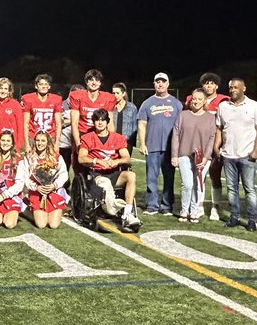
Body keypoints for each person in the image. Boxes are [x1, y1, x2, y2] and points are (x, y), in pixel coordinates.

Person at [78, 108, 142, 230]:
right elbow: (81, 158)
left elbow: (127, 158)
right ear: (93, 122)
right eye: (97, 120)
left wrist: (116, 161)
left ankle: (127, 213)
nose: (100, 123)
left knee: (131, 176)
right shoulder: (87, 138)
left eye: (102, 120)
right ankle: (114, 207)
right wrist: (97, 161)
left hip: (113, 173)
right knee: (105, 182)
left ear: (107, 122)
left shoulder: (117, 138)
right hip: (96, 174)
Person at [215, 78, 257, 232]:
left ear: (244, 88)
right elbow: (220, 128)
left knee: (249, 189)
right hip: (229, 154)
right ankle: (234, 216)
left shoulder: (254, 106)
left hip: (247, 154)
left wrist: (255, 150)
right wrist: (217, 146)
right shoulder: (223, 106)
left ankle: (251, 219)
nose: (232, 90)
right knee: (231, 189)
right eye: (230, 87)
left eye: (236, 87)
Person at [137, 73, 183, 215]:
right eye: (158, 82)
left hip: (170, 148)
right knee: (151, 177)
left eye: (163, 82)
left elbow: (182, 126)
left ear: (168, 84)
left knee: (169, 177)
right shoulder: (147, 103)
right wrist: (142, 143)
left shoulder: (176, 103)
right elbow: (142, 124)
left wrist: (179, 147)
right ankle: (152, 205)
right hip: (152, 146)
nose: (160, 84)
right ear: (154, 84)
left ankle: (167, 205)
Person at [172, 89, 217, 223]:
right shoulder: (183, 115)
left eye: (199, 99)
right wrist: (174, 155)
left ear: (204, 101)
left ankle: (194, 210)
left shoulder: (210, 117)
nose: (196, 101)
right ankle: (184, 209)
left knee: (197, 183)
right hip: (185, 154)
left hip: (202, 158)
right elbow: (175, 136)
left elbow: (211, 138)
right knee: (187, 184)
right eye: (194, 99)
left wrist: (206, 157)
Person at [68, 70, 116, 167]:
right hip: (82, 134)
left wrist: (111, 142)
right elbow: (74, 123)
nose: (94, 83)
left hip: (99, 135)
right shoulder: (77, 96)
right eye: (91, 80)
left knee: (99, 166)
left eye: (97, 80)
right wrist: (78, 143)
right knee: (79, 167)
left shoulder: (108, 98)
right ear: (86, 82)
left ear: (100, 82)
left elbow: (110, 122)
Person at [24, 131, 69, 229]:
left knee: (53, 225)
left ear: (48, 142)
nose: (40, 143)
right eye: (37, 140)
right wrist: (36, 187)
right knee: (41, 224)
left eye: (43, 141)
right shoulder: (29, 158)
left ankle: (59, 208)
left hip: (53, 191)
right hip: (36, 192)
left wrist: (54, 185)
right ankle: (27, 209)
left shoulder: (56, 157)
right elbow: (24, 178)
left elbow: (64, 174)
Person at [200, 72, 229, 221]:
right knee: (199, 175)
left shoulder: (224, 101)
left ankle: (216, 206)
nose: (209, 85)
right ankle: (198, 204)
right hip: (201, 143)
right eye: (206, 83)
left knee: (215, 175)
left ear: (216, 85)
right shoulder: (196, 99)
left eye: (212, 83)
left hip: (218, 143)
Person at [0, 129, 27, 229]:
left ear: (12, 144)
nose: (5, 143)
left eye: (8, 141)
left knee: (9, 224)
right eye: (3, 140)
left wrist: (3, 196)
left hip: (11, 196)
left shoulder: (18, 161)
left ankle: (15, 211)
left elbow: (19, 185)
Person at [21, 74, 62, 152]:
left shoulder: (56, 99)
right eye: (41, 84)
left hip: (50, 136)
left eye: (46, 84)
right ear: (36, 86)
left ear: (49, 86)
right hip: (33, 137)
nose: (44, 86)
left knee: (50, 162)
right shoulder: (28, 99)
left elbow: (58, 123)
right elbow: (25, 123)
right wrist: (26, 143)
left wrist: (57, 143)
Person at [0, 78, 24, 154]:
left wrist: (18, 147)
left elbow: (20, 128)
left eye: (5, 89)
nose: (3, 91)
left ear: (9, 91)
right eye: (1, 88)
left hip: (12, 147)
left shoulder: (15, 105)